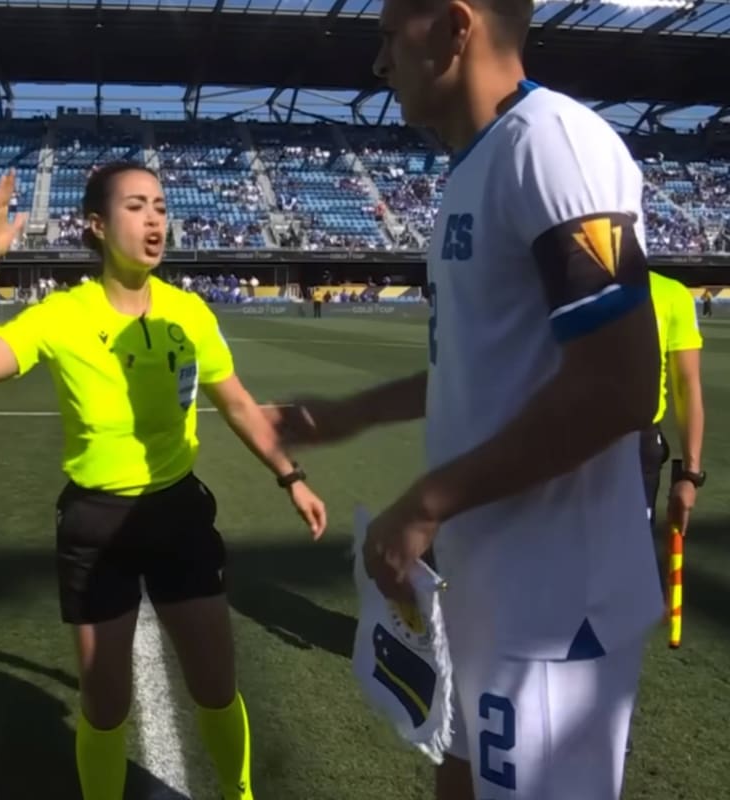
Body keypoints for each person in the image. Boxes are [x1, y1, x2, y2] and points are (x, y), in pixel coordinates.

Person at [269, 0, 662, 797]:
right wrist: (356, 414)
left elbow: (621, 385)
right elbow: (490, 367)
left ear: (454, 26)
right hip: (490, 587)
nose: (378, 65)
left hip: (556, 607)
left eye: (387, 35)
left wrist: (427, 501)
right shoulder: (475, 166)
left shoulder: (554, 145)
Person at [0, 165, 327, 800]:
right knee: (105, 704)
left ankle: (238, 793)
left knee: (215, 683)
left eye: (161, 206)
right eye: (136, 207)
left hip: (179, 516)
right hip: (96, 525)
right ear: (96, 225)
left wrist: (291, 477)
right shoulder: (61, 315)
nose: (154, 220)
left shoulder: (188, 313)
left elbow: (235, 403)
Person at [642, 271, 704, 534]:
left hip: (638, 448)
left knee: (630, 560)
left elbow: (687, 385)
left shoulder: (670, 292)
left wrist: (690, 475)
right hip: (569, 444)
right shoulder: (568, 287)